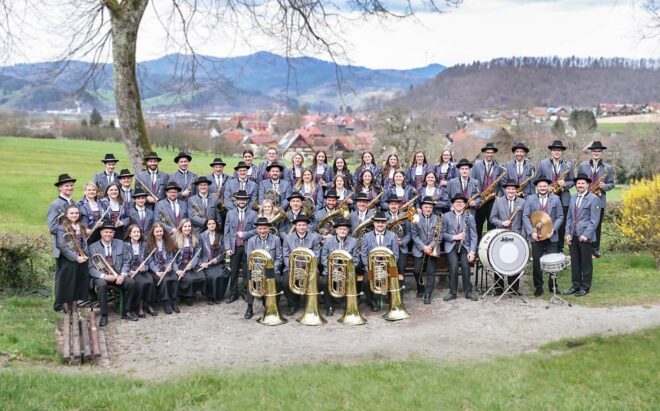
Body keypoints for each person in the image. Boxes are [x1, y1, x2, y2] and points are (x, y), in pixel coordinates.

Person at [88, 224, 138, 326]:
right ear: (101, 233)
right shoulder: (92, 247)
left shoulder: (120, 243)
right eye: (106, 232)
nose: (108, 234)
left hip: (117, 275)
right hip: (102, 276)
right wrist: (104, 276)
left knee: (131, 283)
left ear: (114, 234)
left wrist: (123, 275)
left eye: (111, 232)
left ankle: (126, 311)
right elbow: (90, 268)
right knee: (101, 286)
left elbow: (126, 262)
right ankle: (104, 315)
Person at [522, 176, 564, 297]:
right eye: (540, 186)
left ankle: (553, 286)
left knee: (553, 262)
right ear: (537, 187)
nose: (542, 188)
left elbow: (560, 216)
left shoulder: (556, 199)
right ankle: (538, 287)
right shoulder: (530, 199)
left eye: (545, 186)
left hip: (551, 236)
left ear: (548, 187)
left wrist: (553, 229)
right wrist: (531, 232)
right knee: (537, 262)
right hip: (536, 236)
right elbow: (525, 216)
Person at [565, 173, 602, 297]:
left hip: (585, 236)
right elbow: (569, 217)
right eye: (578, 183)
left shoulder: (594, 199)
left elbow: (594, 220)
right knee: (575, 262)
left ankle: (585, 287)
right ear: (576, 185)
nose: (580, 185)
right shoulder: (573, 197)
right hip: (573, 235)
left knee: (586, 263)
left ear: (587, 184)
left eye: (582, 183)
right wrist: (568, 233)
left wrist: (586, 235)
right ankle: (575, 285)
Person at [577, 141, 615, 258]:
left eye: (598, 151)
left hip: (599, 200)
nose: (596, 153)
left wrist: (605, 186)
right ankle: (584, 246)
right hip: (585, 199)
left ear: (601, 152)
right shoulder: (583, 166)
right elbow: (578, 181)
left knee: (596, 225)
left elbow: (612, 184)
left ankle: (595, 249)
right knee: (585, 223)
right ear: (591, 152)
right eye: (594, 151)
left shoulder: (608, 168)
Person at [489, 179, 526, 295]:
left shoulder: (522, 202)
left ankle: (513, 288)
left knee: (515, 260)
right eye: (508, 189)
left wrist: (523, 235)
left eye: (513, 189)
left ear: (516, 190)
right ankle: (499, 288)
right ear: (505, 190)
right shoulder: (498, 202)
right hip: (501, 235)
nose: (511, 191)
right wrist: (501, 223)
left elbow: (525, 220)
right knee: (499, 260)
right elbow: (492, 218)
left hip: (516, 235)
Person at [537, 140, 575, 251]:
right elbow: (537, 179)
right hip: (547, 198)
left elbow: (573, 181)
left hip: (564, 199)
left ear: (562, 152)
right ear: (551, 151)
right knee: (546, 222)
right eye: (555, 150)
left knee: (561, 225)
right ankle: (545, 247)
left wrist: (565, 184)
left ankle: (559, 248)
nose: (557, 152)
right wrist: (546, 186)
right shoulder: (542, 163)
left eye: (559, 150)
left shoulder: (569, 165)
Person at [282, 214, 322, 316]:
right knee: (286, 282)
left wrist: (307, 268)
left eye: (304, 225)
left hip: (309, 267)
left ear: (307, 226)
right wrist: (293, 268)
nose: (301, 227)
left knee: (316, 278)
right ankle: (292, 303)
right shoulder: (288, 238)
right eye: (299, 225)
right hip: (292, 267)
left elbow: (316, 255)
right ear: (295, 226)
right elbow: (286, 255)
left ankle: (311, 301)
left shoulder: (314, 237)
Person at [441, 194, 478, 302]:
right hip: (451, 245)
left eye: (461, 202)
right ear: (453, 204)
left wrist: (472, 251)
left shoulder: (469, 216)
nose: (459, 204)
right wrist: (454, 237)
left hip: (464, 246)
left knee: (466, 266)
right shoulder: (446, 216)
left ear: (464, 204)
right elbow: (442, 234)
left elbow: (474, 236)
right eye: (456, 202)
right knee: (453, 265)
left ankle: (468, 292)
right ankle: (452, 292)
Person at [245, 217, 283, 319]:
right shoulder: (251, 240)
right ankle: (249, 307)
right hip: (257, 269)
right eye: (260, 228)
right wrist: (259, 271)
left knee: (278, 280)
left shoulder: (276, 239)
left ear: (268, 229)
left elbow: (279, 258)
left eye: (264, 228)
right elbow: (250, 258)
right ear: (257, 229)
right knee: (250, 279)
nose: (262, 231)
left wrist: (271, 269)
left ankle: (274, 304)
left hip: (272, 268)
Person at [360, 211, 399, 312]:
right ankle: (372, 301)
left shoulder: (392, 236)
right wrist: (369, 267)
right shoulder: (366, 236)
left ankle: (393, 298)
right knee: (366, 281)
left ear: (386, 224)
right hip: (371, 266)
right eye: (378, 222)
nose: (380, 225)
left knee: (395, 277)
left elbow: (396, 254)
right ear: (374, 223)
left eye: (382, 222)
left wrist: (386, 267)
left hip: (388, 266)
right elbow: (364, 254)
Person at [223, 190, 257, 304]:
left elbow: (256, 230)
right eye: (239, 199)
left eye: (243, 199)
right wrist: (227, 247)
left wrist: (245, 234)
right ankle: (233, 293)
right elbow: (226, 232)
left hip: (247, 247)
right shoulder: (230, 213)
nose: (241, 201)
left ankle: (245, 292)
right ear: (236, 201)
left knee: (247, 272)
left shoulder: (253, 214)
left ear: (246, 201)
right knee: (234, 271)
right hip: (234, 247)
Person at [320, 217, 358, 317]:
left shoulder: (353, 241)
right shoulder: (328, 241)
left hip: (347, 270)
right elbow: (323, 257)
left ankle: (348, 304)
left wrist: (346, 269)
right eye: (340, 229)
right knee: (324, 282)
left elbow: (356, 259)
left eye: (345, 229)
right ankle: (329, 306)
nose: (342, 231)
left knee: (351, 279)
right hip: (331, 269)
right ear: (336, 230)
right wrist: (332, 269)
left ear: (348, 230)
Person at [54, 204, 89, 313]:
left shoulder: (80, 226)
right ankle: (66, 311)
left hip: (81, 259)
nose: (74, 215)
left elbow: (84, 242)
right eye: (72, 213)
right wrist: (75, 257)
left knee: (77, 285)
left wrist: (84, 254)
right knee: (66, 286)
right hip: (67, 261)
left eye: (76, 213)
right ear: (67, 215)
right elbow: (61, 245)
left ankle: (74, 309)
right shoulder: (61, 228)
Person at [472, 142, 506, 243]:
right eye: (488, 152)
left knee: (492, 225)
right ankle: (477, 248)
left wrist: (499, 196)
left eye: (491, 153)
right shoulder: (476, 166)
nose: (490, 154)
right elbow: (473, 182)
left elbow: (501, 185)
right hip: (480, 199)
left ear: (494, 154)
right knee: (478, 225)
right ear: (485, 153)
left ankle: (490, 247)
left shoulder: (499, 167)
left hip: (493, 200)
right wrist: (476, 196)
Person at [411, 196, 442, 303]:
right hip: (420, 248)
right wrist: (423, 247)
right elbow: (414, 235)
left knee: (431, 272)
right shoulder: (416, 218)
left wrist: (431, 246)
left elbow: (439, 236)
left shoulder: (438, 218)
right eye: (426, 207)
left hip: (433, 248)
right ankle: (421, 288)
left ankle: (428, 295)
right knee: (416, 271)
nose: (428, 209)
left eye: (430, 207)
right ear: (422, 207)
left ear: (432, 208)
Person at [124, 224, 157, 318]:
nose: (136, 234)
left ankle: (149, 304)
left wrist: (145, 267)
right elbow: (123, 261)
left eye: (138, 232)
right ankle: (139, 307)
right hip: (132, 271)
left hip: (142, 270)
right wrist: (129, 271)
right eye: (134, 232)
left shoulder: (144, 244)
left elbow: (148, 259)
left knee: (150, 282)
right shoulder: (125, 245)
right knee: (142, 283)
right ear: (129, 234)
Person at [147, 223, 179, 314]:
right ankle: (166, 303)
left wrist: (170, 266)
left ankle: (174, 301)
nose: (159, 233)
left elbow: (171, 258)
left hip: (167, 268)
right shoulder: (149, 243)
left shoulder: (168, 241)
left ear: (163, 232)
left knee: (174, 278)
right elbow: (150, 261)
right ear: (153, 233)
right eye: (157, 231)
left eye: (161, 231)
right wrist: (157, 271)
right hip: (156, 270)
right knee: (164, 280)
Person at [198, 218, 229, 305]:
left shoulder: (220, 236)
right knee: (211, 276)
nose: (212, 225)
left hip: (218, 262)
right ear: (206, 225)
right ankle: (210, 297)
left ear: (216, 225)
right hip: (206, 263)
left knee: (220, 274)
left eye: (213, 224)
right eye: (209, 224)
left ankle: (218, 296)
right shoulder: (201, 236)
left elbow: (224, 252)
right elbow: (198, 252)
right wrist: (201, 263)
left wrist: (218, 260)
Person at [173, 219, 204, 306]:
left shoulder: (194, 238)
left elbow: (197, 255)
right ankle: (186, 296)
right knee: (188, 279)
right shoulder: (174, 238)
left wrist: (192, 264)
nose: (187, 228)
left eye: (189, 226)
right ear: (181, 227)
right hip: (180, 264)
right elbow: (172, 258)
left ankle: (191, 294)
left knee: (202, 276)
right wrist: (176, 270)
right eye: (185, 226)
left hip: (191, 263)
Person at [385, 194, 412, 292]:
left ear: (399, 205)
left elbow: (409, 233)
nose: (393, 206)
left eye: (395, 204)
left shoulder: (405, 216)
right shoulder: (384, 216)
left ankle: (401, 290)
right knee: (389, 268)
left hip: (401, 247)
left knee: (400, 267)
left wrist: (402, 242)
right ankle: (389, 289)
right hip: (387, 248)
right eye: (391, 204)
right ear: (388, 205)